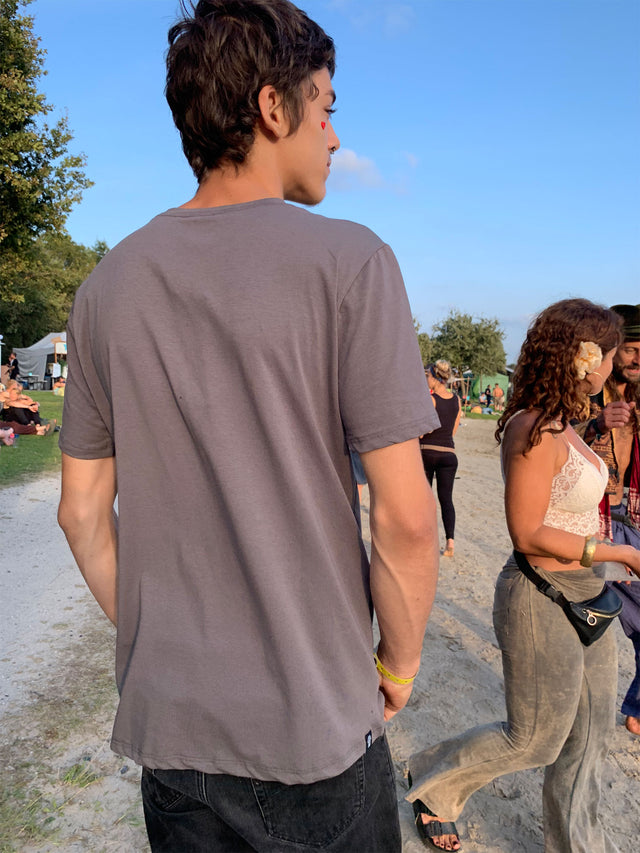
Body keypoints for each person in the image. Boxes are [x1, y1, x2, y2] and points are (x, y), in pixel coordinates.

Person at [57, 2, 440, 851]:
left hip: (173, 747)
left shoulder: (104, 289)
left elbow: (81, 514)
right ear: (273, 106)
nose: (335, 135)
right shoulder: (352, 263)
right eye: (327, 106)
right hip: (315, 735)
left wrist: (157, 648)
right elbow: (408, 521)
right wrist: (399, 665)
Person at [406, 299, 640, 852]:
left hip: (588, 589)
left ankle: (577, 844)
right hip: (540, 596)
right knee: (535, 739)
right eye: (611, 354)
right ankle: (434, 785)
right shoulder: (532, 426)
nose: (616, 365)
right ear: (585, 357)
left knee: (589, 737)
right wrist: (623, 555)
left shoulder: (567, 423)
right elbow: (528, 533)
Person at [575, 303, 640, 736]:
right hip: (589, 522)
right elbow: (552, 445)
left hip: (631, 518)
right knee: (584, 624)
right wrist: (596, 425)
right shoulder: (584, 393)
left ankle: (635, 707)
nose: (637, 360)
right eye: (631, 350)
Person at [421, 361, 461, 558]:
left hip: (428, 453)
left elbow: (424, 430)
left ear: (436, 378)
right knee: (446, 499)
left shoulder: (431, 400)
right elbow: (453, 431)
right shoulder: (456, 400)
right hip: (449, 455)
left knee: (426, 499)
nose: (426, 379)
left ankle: (426, 541)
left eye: (428, 376)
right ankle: (450, 542)